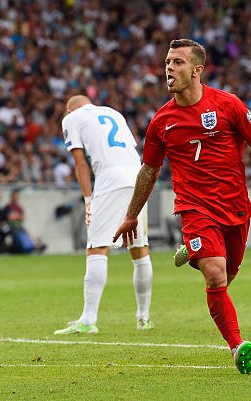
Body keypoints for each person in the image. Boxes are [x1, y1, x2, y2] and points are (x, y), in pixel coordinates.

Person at [113, 39, 251, 374]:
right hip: (194, 207)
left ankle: (194, 249)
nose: (169, 68)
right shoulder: (162, 122)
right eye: (167, 62)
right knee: (215, 275)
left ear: (197, 70)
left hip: (236, 208)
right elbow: (148, 171)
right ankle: (237, 347)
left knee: (226, 278)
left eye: (177, 62)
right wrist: (131, 215)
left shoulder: (229, 106)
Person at [54, 94, 154, 335]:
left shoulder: (71, 119)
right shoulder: (113, 112)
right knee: (139, 249)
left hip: (111, 181)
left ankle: (88, 320)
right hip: (137, 176)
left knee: (96, 247)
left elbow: (80, 164)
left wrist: (88, 199)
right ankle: (144, 317)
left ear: (70, 111)